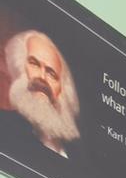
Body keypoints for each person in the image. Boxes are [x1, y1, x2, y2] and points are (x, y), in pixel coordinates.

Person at [1, 31, 81, 160]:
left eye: (51, 73)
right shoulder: (3, 124)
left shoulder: (77, 155)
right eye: (34, 64)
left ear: (61, 91)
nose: (42, 77)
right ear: (22, 69)